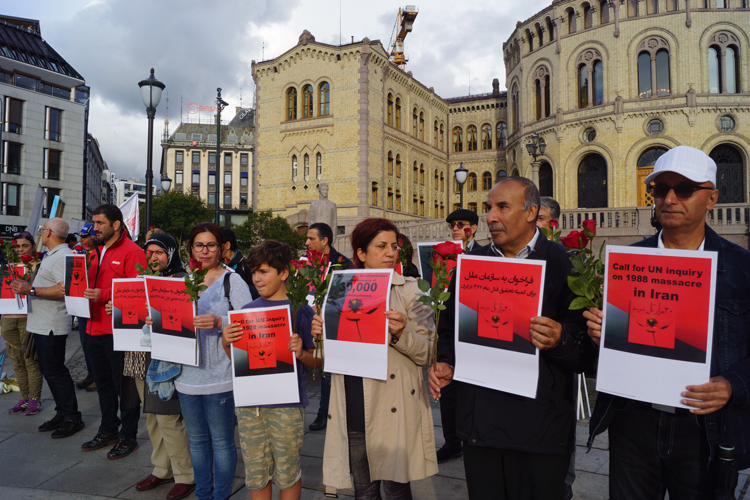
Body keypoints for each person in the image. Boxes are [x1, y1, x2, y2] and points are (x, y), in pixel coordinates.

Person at [585, 145, 750, 499]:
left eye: (685, 189)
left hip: (704, 428)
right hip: (634, 423)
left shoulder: (742, 268)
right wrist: (604, 332)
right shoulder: (627, 263)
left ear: (712, 198)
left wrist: (733, 384)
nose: (670, 198)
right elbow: (610, 347)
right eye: (661, 189)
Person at [428, 177, 595, 499]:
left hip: (540, 428)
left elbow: (586, 352)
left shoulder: (564, 264)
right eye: (489, 208)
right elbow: (450, 326)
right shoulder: (471, 265)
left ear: (531, 212)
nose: (490, 217)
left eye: (502, 207)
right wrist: (446, 362)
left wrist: (560, 339)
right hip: (482, 426)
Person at [315, 218, 438, 498]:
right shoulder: (340, 290)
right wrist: (321, 335)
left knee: (397, 491)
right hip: (353, 405)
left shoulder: (412, 289)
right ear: (360, 253)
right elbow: (326, 357)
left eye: (394, 246)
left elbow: (428, 351)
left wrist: (400, 333)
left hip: (392, 409)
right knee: (364, 491)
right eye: (381, 246)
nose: (390, 253)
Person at [222, 240, 318, 500]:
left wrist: (302, 353)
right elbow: (238, 363)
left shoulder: (300, 311)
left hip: (287, 406)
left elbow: (318, 361)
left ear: (283, 273)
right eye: (253, 272)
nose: (256, 279)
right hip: (251, 406)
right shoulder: (247, 311)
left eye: (263, 272)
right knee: (255, 473)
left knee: (287, 473)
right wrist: (226, 343)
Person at [175, 222, 252, 500]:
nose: (204, 251)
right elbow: (168, 318)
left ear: (222, 249)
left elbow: (249, 324)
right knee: (196, 442)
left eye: (211, 245)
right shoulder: (182, 281)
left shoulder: (233, 281)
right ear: (191, 248)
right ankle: (203, 495)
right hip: (186, 375)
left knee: (221, 443)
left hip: (221, 375)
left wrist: (221, 321)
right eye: (199, 245)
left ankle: (221, 495)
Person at [126, 233, 196, 500]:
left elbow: (183, 320)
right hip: (141, 353)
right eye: (150, 253)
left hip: (167, 358)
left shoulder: (181, 280)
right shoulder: (140, 280)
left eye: (159, 252)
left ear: (171, 253)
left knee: (168, 417)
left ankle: (185, 474)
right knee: (152, 417)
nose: (153, 257)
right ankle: (162, 468)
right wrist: (117, 309)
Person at [82, 204, 148, 459]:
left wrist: (104, 295)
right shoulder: (95, 251)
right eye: (94, 222)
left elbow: (139, 289)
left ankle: (128, 435)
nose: (94, 228)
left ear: (116, 225)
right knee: (104, 385)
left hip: (118, 332)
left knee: (125, 387)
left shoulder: (133, 252)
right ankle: (108, 428)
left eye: (99, 223)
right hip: (93, 327)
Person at [11, 218, 85, 438]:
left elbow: (65, 289)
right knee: (50, 372)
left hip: (52, 325)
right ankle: (62, 412)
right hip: (42, 323)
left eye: (43, 230)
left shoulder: (63, 256)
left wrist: (30, 290)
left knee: (56, 373)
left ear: (49, 233)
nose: (41, 233)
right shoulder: (54, 255)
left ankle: (72, 417)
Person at [305, 222, 352, 432]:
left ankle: (325, 412)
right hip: (308, 321)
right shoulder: (306, 263)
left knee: (327, 372)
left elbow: (348, 297)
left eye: (311, 238)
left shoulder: (342, 264)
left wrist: (324, 306)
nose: (306, 243)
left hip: (330, 324)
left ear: (324, 241)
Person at [2, 231, 43, 416]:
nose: (20, 250)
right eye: (17, 247)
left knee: (30, 360)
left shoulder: (39, 266)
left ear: (32, 247)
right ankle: (24, 398)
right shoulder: (6, 266)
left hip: (29, 317)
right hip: (8, 319)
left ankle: (35, 399)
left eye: (24, 246)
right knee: (16, 361)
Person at [73, 223, 96, 391]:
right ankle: (91, 373)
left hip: (96, 307)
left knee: (95, 344)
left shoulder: (100, 255)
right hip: (81, 306)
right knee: (85, 343)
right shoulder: (79, 254)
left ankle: (99, 375)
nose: (81, 240)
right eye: (80, 236)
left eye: (85, 236)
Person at [221, 227, 259, 300]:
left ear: (227, 245)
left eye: (215, 244)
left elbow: (256, 292)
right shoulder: (218, 266)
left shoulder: (247, 265)